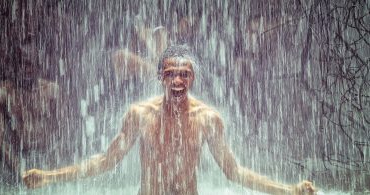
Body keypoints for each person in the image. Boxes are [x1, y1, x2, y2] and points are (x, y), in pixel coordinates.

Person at [23, 45, 316, 195]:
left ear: (193, 78)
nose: (177, 80)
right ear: (159, 77)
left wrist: (288, 191)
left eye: (184, 74)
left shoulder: (208, 119)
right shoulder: (139, 115)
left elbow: (234, 171)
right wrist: (49, 177)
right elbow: (104, 161)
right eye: (170, 73)